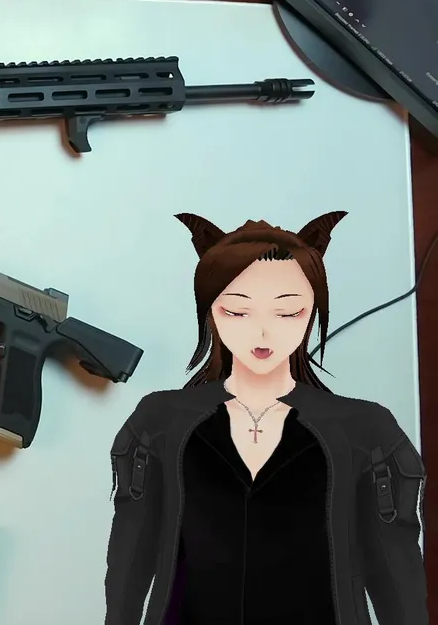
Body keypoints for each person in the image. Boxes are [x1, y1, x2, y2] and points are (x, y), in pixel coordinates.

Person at [105, 212, 427, 625]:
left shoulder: (366, 430)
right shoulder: (160, 420)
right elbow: (131, 556)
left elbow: (396, 573)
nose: (262, 333)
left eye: (287, 312)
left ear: (311, 312)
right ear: (212, 311)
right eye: (238, 312)